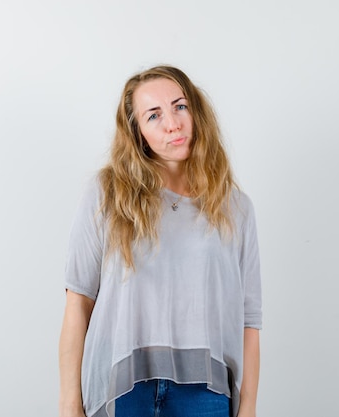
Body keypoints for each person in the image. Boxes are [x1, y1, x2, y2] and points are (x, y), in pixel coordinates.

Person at [59, 66, 262, 417]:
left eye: (180, 106)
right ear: (138, 133)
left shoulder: (236, 208)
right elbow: (78, 302)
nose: (173, 123)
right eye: (154, 115)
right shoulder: (107, 195)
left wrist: (249, 409)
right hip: (124, 388)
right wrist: (69, 406)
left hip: (206, 394)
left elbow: (250, 320)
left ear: (196, 111)